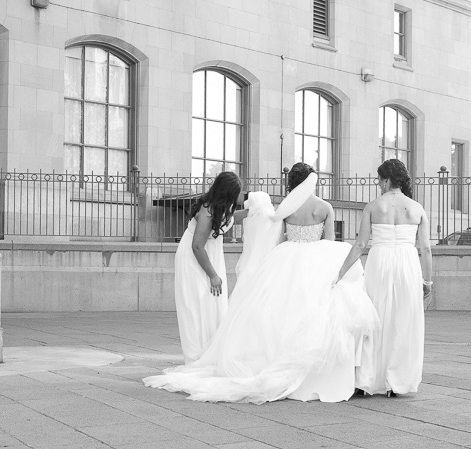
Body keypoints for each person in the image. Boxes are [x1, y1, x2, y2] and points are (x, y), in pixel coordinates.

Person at [144, 163, 379, 403]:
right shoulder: (324, 207)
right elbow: (329, 242)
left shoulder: (287, 207)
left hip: (286, 258)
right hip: (315, 261)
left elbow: (277, 236)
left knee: (278, 311)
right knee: (314, 312)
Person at [336, 159, 431, 397]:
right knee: (404, 319)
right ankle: (397, 381)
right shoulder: (417, 208)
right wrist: (427, 283)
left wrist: (339, 273)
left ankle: (369, 378)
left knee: (375, 316)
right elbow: (426, 249)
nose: (378, 185)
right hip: (407, 263)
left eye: (379, 180)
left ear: (386, 180)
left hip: (380, 261)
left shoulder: (372, 206)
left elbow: (359, 245)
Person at [174, 171, 242, 363]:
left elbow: (228, 219)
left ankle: (211, 353)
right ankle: (196, 357)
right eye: (238, 191)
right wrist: (213, 275)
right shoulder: (207, 210)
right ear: (227, 192)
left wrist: (250, 213)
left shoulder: (222, 206)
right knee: (196, 306)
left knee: (212, 305)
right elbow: (197, 246)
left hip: (209, 255)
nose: (241, 194)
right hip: (194, 258)